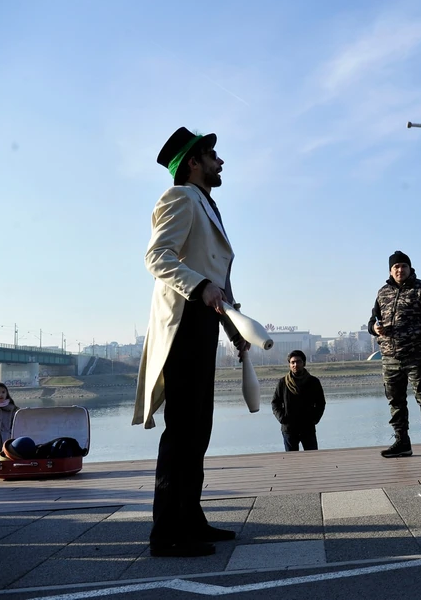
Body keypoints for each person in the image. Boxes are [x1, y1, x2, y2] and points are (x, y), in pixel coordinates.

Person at [132, 127, 250, 558]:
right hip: (183, 324)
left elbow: (218, 279)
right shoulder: (180, 197)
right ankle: (166, 533)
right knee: (182, 431)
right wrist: (200, 286)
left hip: (203, 323)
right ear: (194, 163)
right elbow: (156, 257)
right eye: (213, 155)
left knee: (198, 429)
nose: (221, 162)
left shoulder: (206, 204)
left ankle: (190, 518)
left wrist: (236, 329)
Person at [368, 251, 421, 459]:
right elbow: (372, 320)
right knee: (396, 402)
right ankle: (402, 442)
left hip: (416, 357)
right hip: (390, 358)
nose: (400, 270)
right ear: (390, 271)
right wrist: (375, 328)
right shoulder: (382, 292)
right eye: (396, 267)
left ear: (410, 268)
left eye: (403, 266)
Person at [272, 350, 326, 451]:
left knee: (313, 456)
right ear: (289, 365)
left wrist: (315, 419)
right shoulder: (283, 382)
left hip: (308, 427)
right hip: (289, 428)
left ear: (304, 363)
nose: (295, 365)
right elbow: (275, 403)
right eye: (292, 362)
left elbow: (320, 403)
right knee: (292, 458)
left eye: (298, 362)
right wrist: (282, 418)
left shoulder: (313, 382)